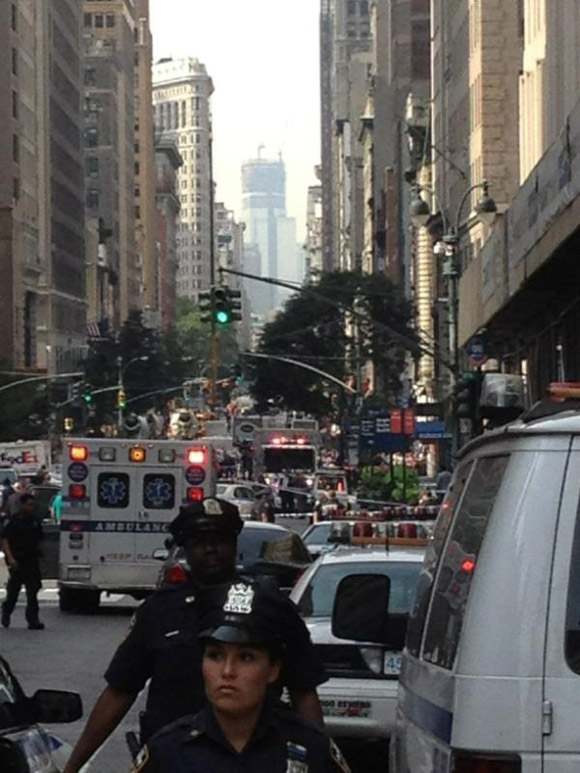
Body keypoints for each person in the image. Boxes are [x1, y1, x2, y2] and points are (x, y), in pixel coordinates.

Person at [63, 497, 326, 773]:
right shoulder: (159, 611)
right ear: (186, 548)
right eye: (200, 542)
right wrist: (73, 766)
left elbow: (304, 691)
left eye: (219, 540)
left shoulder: (270, 608)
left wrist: (317, 755)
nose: (210, 549)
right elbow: (120, 691)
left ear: (234, 544)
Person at [130, 580, 350, 772]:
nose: (227, 671)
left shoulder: (310, 748)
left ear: (273, 669)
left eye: (245, 658)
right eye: (215, 656)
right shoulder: (168, 751)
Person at [1, 494, 44, 630]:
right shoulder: (14, 521)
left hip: (31, 560)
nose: (31, 507)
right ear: (22, 505)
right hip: (18, 561)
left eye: (33, 505)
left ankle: (33, 620)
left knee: (32, 592)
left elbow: (39, 539)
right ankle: (6, 612)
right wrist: (10, 558)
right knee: (13, 592)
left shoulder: (35, 521)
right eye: (29, 504)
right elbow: (5, 539)